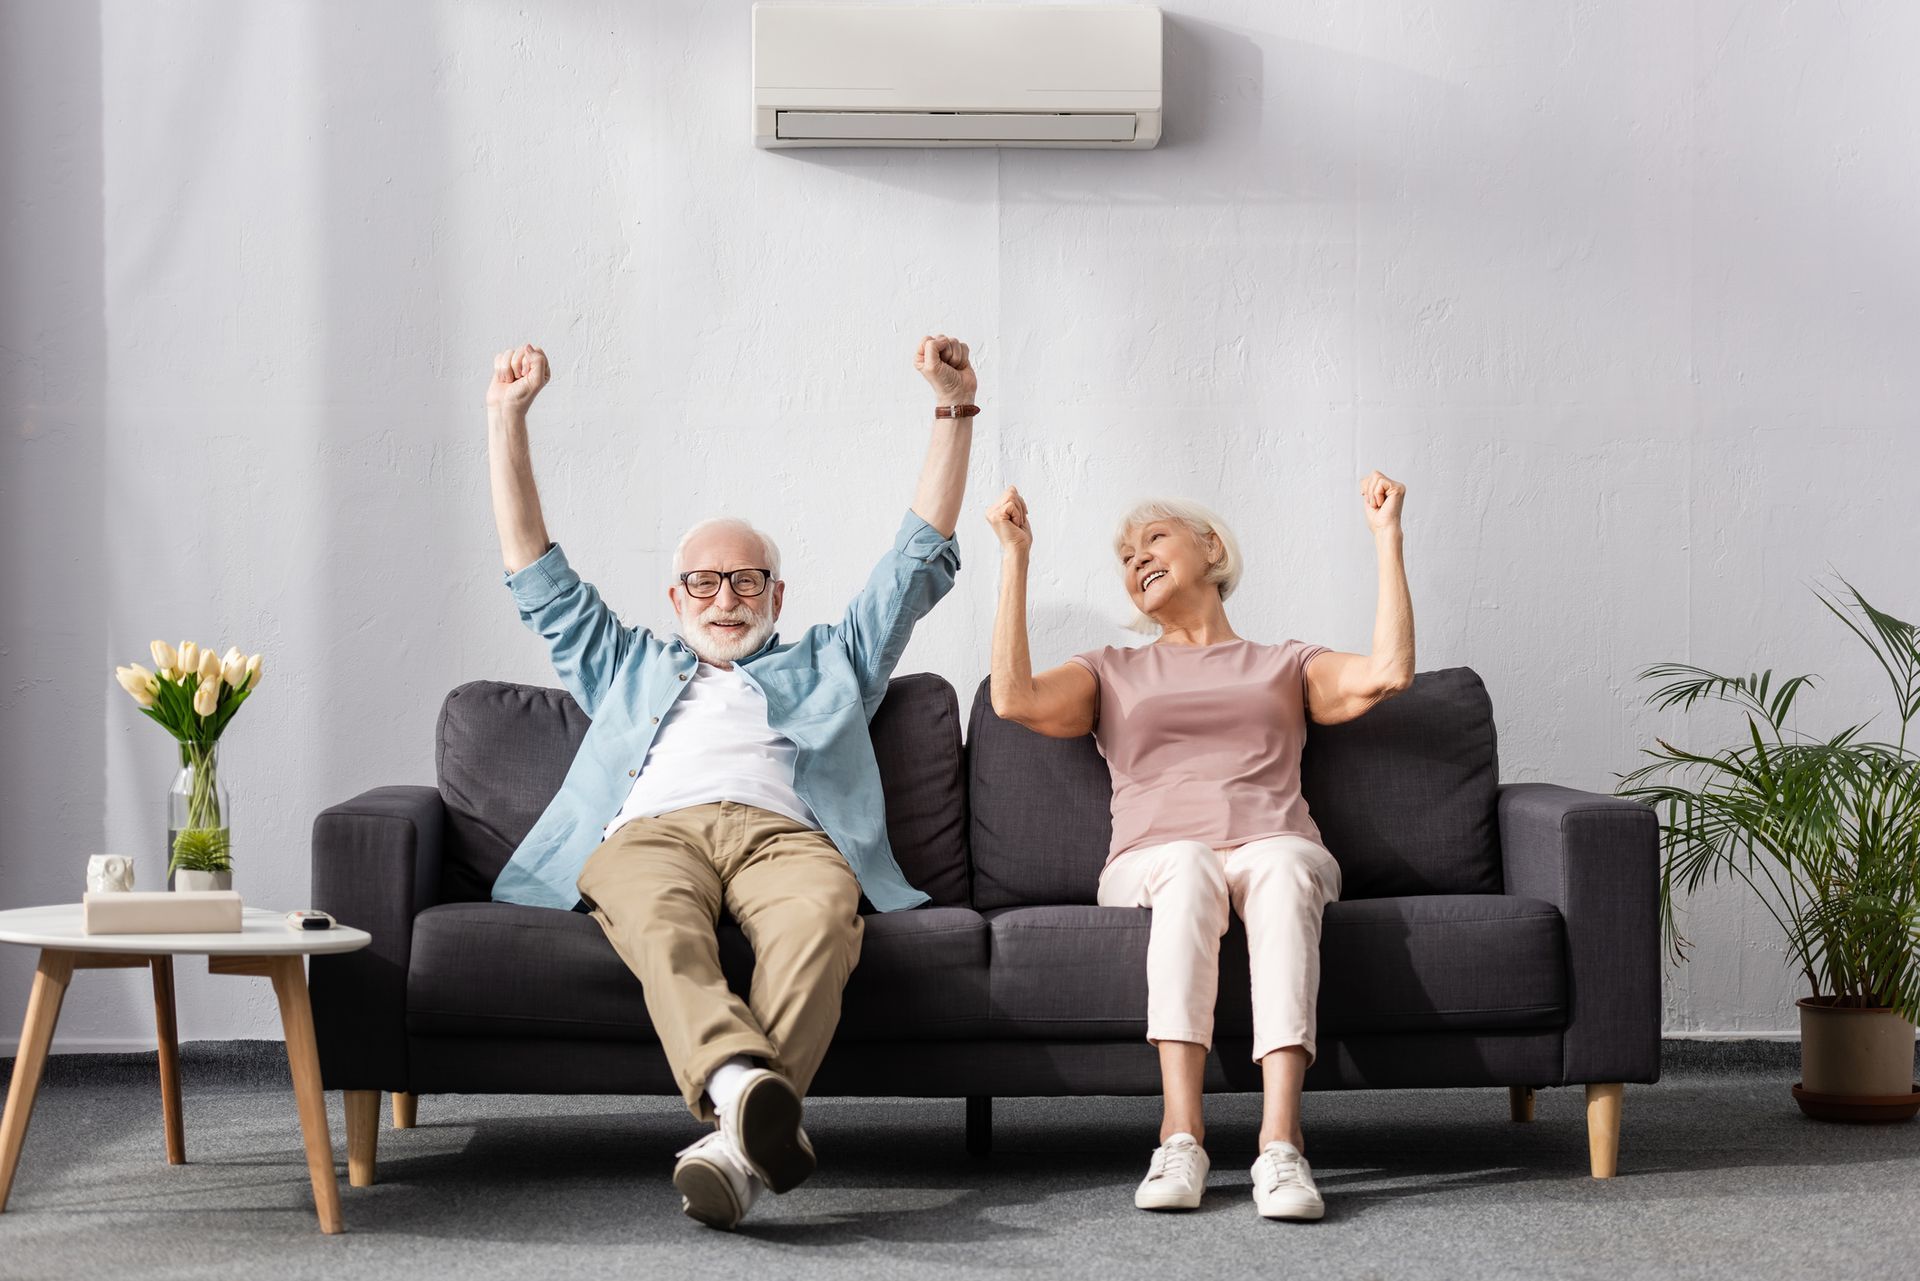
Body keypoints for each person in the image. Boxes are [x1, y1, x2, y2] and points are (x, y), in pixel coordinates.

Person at [483, 335, 980, 1229]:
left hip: (784, 836)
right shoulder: (623, 662)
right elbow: (535, 572)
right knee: (660, 923)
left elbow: (915, 561)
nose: (725, 599)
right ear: (676, 600)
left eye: (745, 581)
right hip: (650, 835)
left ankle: (730, 1133)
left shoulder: (836, 660)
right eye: (703, 583)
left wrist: (953, 408)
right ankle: (745, 1091)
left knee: (823, 918)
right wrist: (505, 418)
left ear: (776, 597)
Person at [983, 472, 1414, 1221]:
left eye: (1154, 538)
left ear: (1211, 549)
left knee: (1281, 864)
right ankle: (1180, 1136)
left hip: (1274, 843)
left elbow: (1389, 672)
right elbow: (1012, 697)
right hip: (1152, 858)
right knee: (1186, 862)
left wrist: (1387, 538)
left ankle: (1281, 1144)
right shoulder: (1109, 668)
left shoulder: (1286, 661)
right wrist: (1016, 554)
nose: (1136, 558)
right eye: (1124, 554)